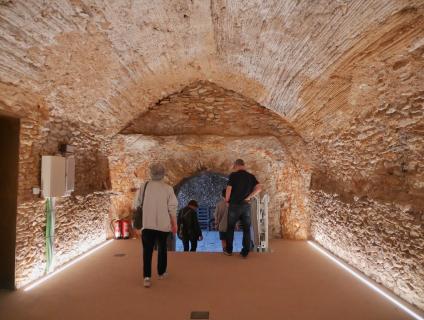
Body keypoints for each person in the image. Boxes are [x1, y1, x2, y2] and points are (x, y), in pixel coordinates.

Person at [133, 163, 178, 288]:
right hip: (163, 225)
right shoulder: (168, 188)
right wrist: (174, 224)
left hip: (147, 224)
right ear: (163, 174)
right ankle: (161, 272)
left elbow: (137, 203)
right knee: (162, 248)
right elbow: (172, 208)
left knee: (147, 251)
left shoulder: (144, 186)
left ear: (151, 173)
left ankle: (147, 277)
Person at [225, 159, 261, 258]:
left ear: (236, 165)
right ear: (244, 165)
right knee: (246, 229)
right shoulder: (251, 176)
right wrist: (249, 197)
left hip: (234, 205)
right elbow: (259, 188)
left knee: (231, 228)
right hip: (246, 205)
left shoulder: (233, 175)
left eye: (234, 166)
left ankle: (229, 251)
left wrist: (227, 201)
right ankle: (245, 252)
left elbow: (229, 189)